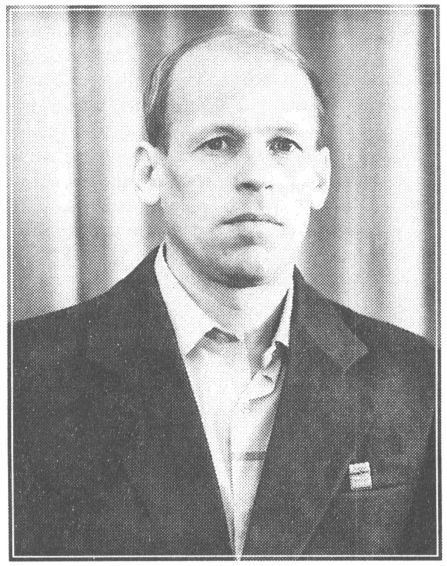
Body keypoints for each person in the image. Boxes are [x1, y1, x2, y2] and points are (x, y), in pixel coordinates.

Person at [12, 26, 437, 557]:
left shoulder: (413, 378)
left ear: (319, 179)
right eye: (219, 143)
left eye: (283, 145)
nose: (256, 175)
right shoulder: (23, 376)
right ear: (149, 173)